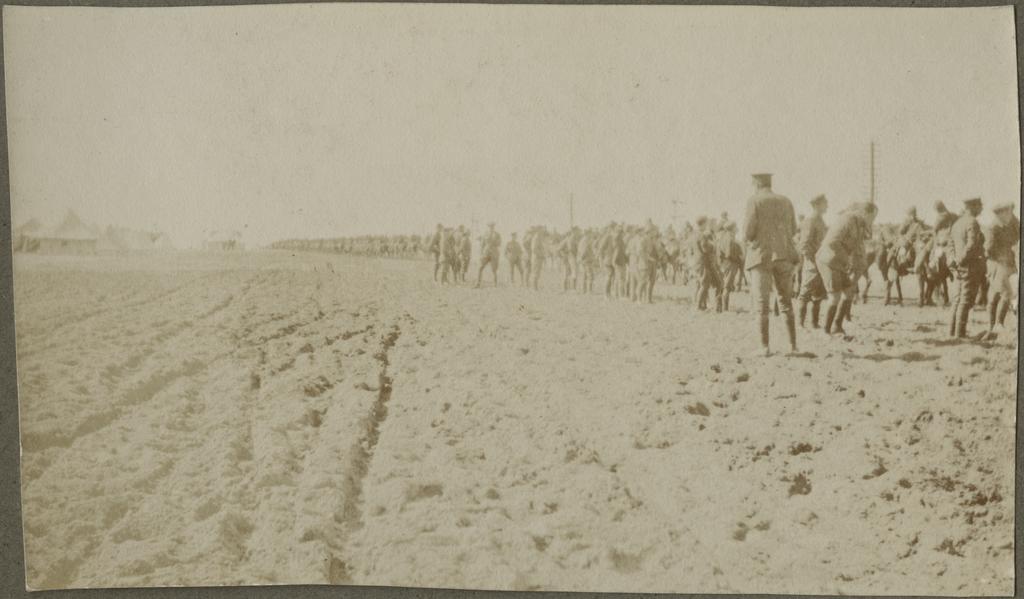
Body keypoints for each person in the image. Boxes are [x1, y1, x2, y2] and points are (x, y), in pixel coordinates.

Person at [743, 173, 799, 355]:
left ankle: (764, 347)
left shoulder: (754, 201)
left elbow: (748, 232)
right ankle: (792, 346)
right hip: (784, 255)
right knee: (786, 302)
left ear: (756, 183)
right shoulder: (786, 201)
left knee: (762, 304)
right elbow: (793, 229)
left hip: (762, 256)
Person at [816, 202, 877, 337]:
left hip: (841, 262)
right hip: (829, 259)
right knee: (835, 296)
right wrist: (847, 259)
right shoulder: (847, 220)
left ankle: (837, 326)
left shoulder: (859, 224)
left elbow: (859, 243)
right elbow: (832, 242)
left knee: (849, 291)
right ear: (865, 213)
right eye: (872, 217)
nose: (873, 220)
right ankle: (825, 331)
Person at [948, 198, 987, 339]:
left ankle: (952, 332)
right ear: (973, 206)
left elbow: (950, 244)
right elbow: (971, 245)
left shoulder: (957, 223)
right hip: (969, 266)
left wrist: (953, 260)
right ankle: (960, 334)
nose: (981, 209)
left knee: (957, 299)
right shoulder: (972, 222)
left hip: (959, 266)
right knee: (965, 300)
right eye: (979, 206)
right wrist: (960, 260)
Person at [984, 203, 1019, 340]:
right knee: (1003, 294)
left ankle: (993, 327)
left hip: (1006, 264)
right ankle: (996, 324)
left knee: (998, 295)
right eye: (1008, 212)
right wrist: (1000, 257)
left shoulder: (1010, 224)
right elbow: (988, 248)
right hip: (999, 264)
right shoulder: (994, 227)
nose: (1010, 215)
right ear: (1001, 213)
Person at [797, 195, 828, 328]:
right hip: (812, 263)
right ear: (817, 205)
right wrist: (813, 261)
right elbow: (804, 244)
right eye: (825, 203)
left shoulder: (820, 220)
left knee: (818, 294)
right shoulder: (810, 220)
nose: (827, 206)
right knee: (805, 293)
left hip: (821, 262)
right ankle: (800, 324)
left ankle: (814, 323)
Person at [717, 222, 743, 311]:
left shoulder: (723, 237)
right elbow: (728, 254)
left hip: (724, 264)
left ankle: (720, 307)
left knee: (724, 285)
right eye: (735, 227)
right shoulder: (730, 239)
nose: (737, 229)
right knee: (727, 286)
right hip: (730, 264)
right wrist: (738, 259)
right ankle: (725, 308)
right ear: (732, 228)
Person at [476, 223, 501, 288]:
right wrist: (481, 253)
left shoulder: (497, 234)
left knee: (494, 270)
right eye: (490, 226)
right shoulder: (485, 234)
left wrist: (494, 241)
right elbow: (482, 244)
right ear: (488, 227)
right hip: (486, 253)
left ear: (494, 227)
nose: (491, 228)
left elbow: (499, 243)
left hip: (494, 253)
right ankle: (478, 283)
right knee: (480, 267)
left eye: (492, 226)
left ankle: (495, 284)